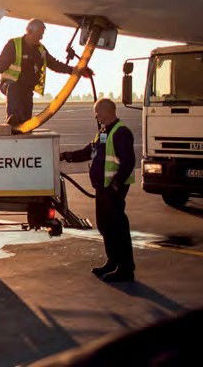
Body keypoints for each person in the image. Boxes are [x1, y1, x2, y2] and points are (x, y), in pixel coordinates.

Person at [60, 98, 136, 282]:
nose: (96, 116)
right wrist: (66, 156)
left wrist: (116, 184)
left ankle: (125, 268)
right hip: (103, 188)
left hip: (113, 189)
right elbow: (89, 152)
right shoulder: (103, 132)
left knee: (117, 227)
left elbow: (128, 161)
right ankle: (113, 261)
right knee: (105, 225)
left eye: (98, 112)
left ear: (107, 111)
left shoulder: (121, 132)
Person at [0, 19, 93, 125]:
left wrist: (74, 70)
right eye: (39, 34)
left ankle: (23, 126)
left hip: (27, 88)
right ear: (29, 31)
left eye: (42, 34)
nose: (41, 37)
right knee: (15, 89)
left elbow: (54, 64)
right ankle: (13, 118)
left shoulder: (41, 50)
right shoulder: (14, 45)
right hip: (9, 85)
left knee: (26, 119)